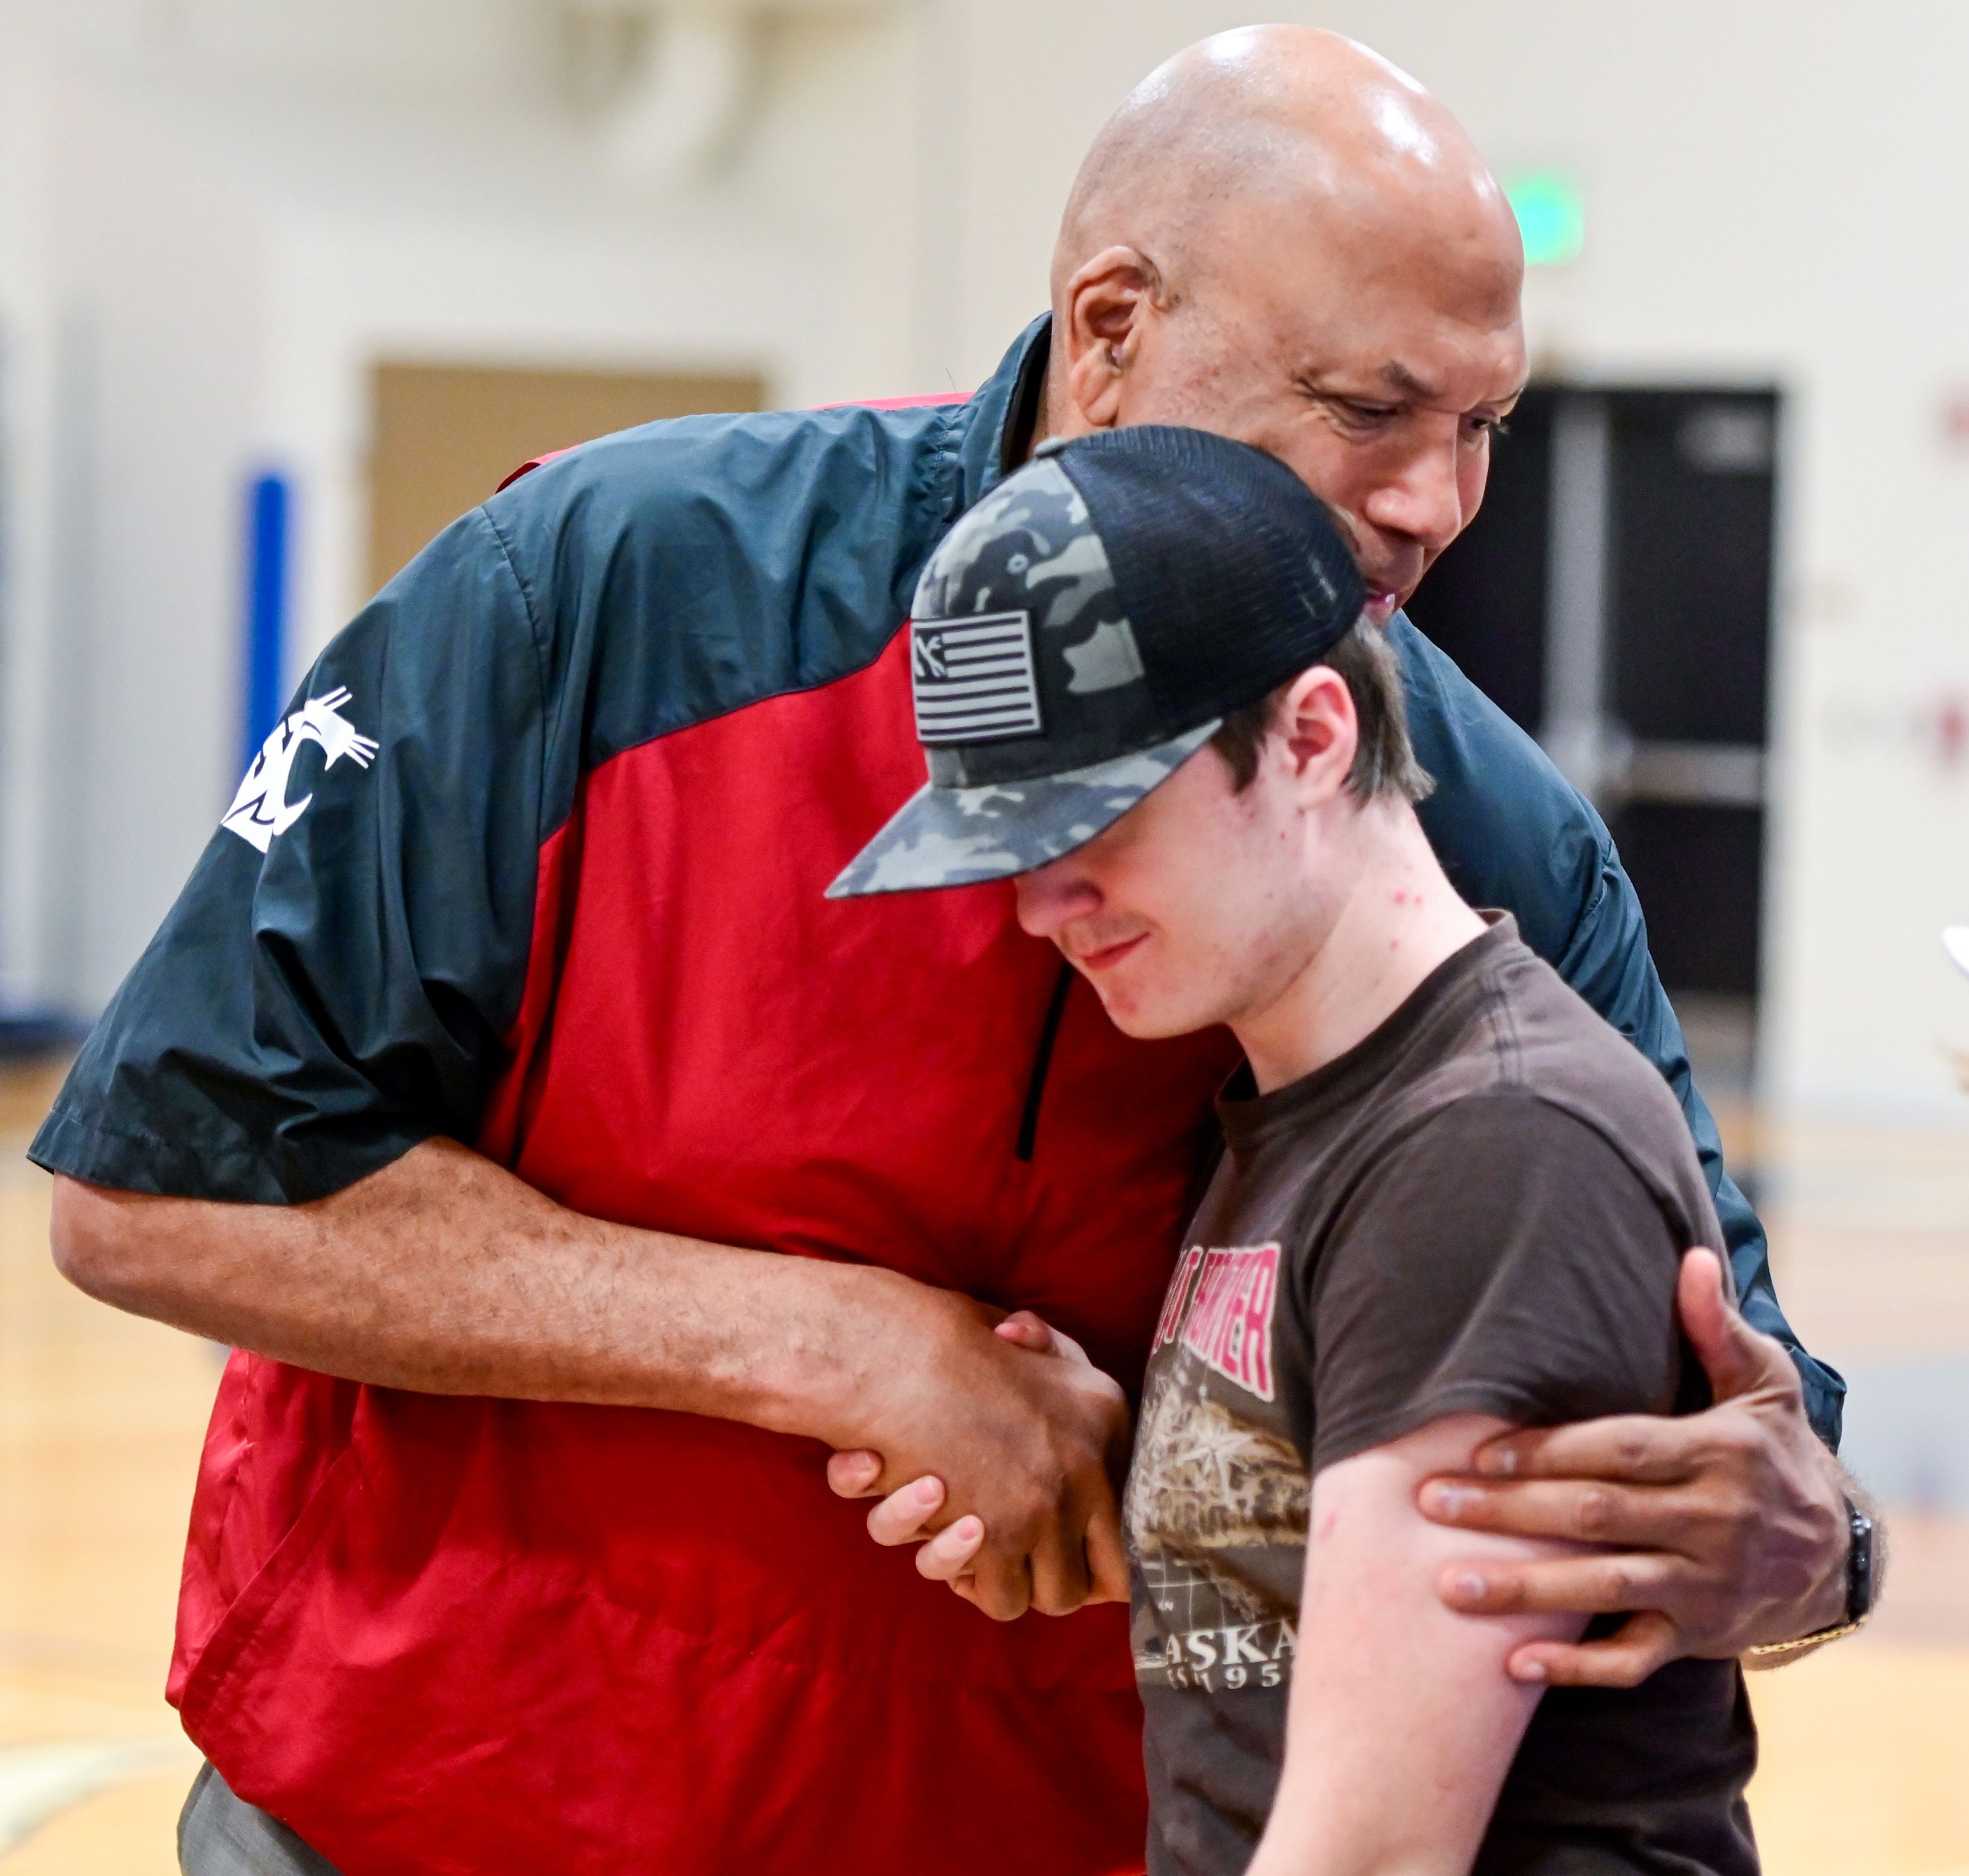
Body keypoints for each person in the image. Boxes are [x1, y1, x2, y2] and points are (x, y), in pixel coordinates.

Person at [34, 25, 1852, 1876]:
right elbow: (155, 1189)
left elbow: (1744, 1398)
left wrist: (1813, 1538)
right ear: (1113, 320)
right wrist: (832, 1341)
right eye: (1367, 407)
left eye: (1483, 426)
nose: (1435, 501)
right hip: (424, 1800)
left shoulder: (1482, 824)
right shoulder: (606, 585)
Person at [830, 423, 1804, 1873]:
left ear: (1312, 736)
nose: (1044, 905)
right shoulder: (1315, 1108)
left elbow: (1371, 1853)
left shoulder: (1491, 1146)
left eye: (1097, 818)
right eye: (1012, 849)